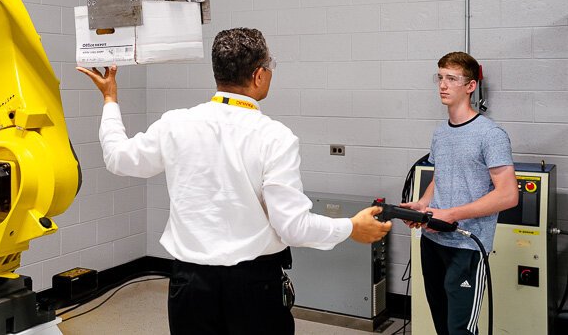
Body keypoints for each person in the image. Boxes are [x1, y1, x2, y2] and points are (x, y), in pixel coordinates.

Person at [77, 27, 391, 335]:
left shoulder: (176, 124)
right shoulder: (275, 137)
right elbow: (292, 227)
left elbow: (118, 158)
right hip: (254, 289)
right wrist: (351, 227)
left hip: (189, 287)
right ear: (259, 75)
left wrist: (109, 99)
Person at [402, 51, 518, 335]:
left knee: (460, 329)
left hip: (466, 246)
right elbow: (441, 176)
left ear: (470, 86)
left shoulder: (491, 134)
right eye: (440, 77)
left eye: (452, 78)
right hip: (432, 240)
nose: (443, 85)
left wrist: (451, 214)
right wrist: (423, 204)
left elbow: (508, 195)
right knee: (441, 323)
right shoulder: (441, 132)